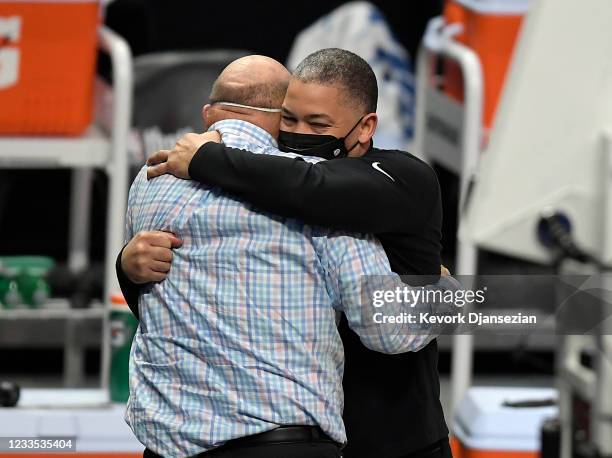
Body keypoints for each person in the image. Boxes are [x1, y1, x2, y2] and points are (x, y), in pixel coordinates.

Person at [120, 49, 452, 458]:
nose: (298, 134)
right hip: (304, 430)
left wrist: (450, 294)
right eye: (289, 119)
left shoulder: (402, 176)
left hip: (393, 436)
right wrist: (128, 267)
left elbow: (314, 186)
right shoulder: (271, 181)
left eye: (317, 124)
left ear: (365, 127)